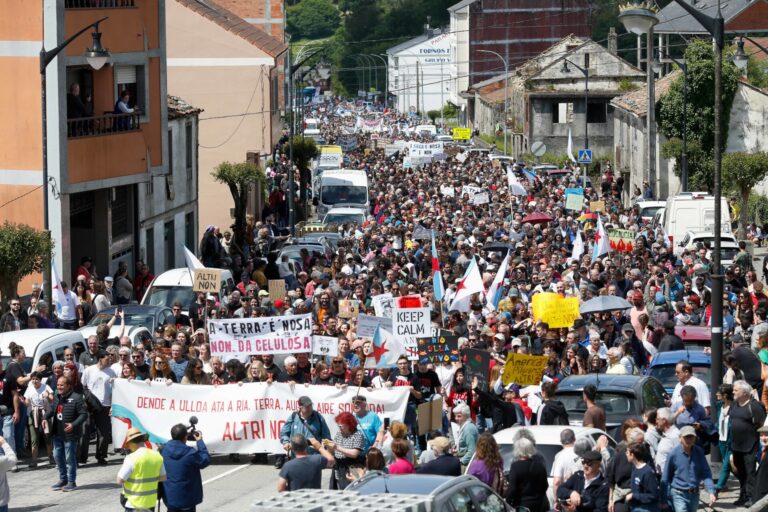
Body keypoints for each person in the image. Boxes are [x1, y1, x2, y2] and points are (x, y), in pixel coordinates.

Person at [46, 375, 88, 492]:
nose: (59, 387)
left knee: (70, 459)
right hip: (57, 433)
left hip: (70, 435)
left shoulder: (77, 398)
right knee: (57, 456)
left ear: (68, 386)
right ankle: (63, 479)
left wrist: (73, 425)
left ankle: (71, 482)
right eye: (58, 385)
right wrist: (44, 418)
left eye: (62, 385)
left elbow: (84, 414)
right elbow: (51, 409)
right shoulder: (56, 397)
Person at [660, 426, 717, 512]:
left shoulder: (699, 452)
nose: (689, 440)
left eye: (691, 437)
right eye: (686, 437)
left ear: (695, 438)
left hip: (694, 494)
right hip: (678, 494)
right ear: (680, 438)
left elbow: (706, 473)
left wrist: (711, 491)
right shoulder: (673, 454)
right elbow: (665, 477)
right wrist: (664, 499)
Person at [729, 380, 766, 506]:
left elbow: (762, 425)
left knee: (751, 473)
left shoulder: (754, 406)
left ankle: (752, 497)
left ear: (744, 392)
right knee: (741, 473)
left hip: (751, 446)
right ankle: (743, 496)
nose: (733, 392)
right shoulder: (734, 404)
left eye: (736, 390)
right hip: (736, 445)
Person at [160, 423, 210, 512]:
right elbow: (205, 460)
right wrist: (200, 441)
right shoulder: (190, 453)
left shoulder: (164, 450)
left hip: (170, 498)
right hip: (187, 499)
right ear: (185, 437)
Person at [117, 427, 166, 511]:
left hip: (133, 504)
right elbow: (163, 477)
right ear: (143, 440)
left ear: (131, 443)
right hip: (150, 503)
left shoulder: (131, 458)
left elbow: (119, 480)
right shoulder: (157, 456)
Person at [81, 349, 116, 464]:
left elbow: (116, 388)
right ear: (100, 359)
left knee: (103, 433)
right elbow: (83, 386)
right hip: (89, 405)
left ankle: (101, 456)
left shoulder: (111, 372)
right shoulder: (89, 370)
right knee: (85, 431)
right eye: (107, 359)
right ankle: (82, 456)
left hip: (104, 405)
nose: (109, 360)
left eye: (110, 359)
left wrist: (112, 404)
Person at [277, 396, 331, 470]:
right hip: (296, 458)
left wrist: (325, 450)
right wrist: (285, 442)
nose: (310, 409)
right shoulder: (293, 417)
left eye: (311, 406)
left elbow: (326, 436)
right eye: (307, 407)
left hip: (313, 457)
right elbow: (284, 433)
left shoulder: (318, 417)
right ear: (300, 408)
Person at [506, 437, 548, 512]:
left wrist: (507, 503)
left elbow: (512, 489)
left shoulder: (515, 466)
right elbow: (545, 486)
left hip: (522, 506)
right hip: (539, 505)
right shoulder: (540, 466)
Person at [327, 411, 365, 489]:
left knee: (352, 489)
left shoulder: (357, 435)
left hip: (352, 467)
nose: (339, 428)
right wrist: (329, 447)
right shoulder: (339, 434)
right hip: (339, 466)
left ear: (349, 424)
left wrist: (337, 447)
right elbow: (333, 452)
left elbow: (354, 454)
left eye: (341, 426)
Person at [23, 371, 53, 468]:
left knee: (47, 436)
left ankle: (50, 457)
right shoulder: (29, 388)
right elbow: (27, 402)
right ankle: (34, 460)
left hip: (45, 413)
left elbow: (52, 399)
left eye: (36, 379)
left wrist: (47, 396)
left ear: (40, 380)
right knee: (34, 438)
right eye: (33, 379)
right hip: (33, 414)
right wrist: (24, 402)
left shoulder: (46, 387)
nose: (34, 381)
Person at [625, 442, 660, 512]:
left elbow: (653, 495)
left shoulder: (647, 472)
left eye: (627, 452)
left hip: (647, 508)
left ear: (632, 455)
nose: (626, 454)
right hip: (635, 507)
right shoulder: (634, 468)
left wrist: (633, 495)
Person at [453, 403, 478, 469]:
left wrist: (460, 462)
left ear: (466, 416)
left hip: (466, 465)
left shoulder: (468, 429)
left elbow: (471, 451)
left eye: (459, 416)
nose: (456, 418)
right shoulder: (465, 426)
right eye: (455, 416)